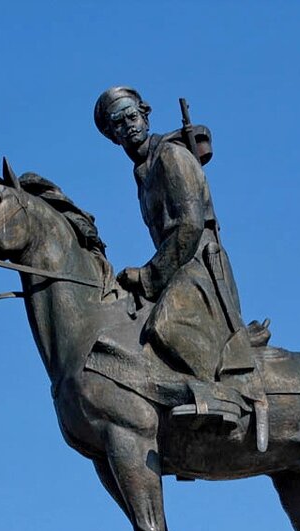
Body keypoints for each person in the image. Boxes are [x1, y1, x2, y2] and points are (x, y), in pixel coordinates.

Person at [94, 86, 265, 429]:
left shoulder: (171, 156)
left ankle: (225, 398)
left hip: (200, 264)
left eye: (133, 116)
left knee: (166, 325)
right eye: (119, 123)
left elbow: (188, 226)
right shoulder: (142, 173)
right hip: (177, 265)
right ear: (113, 135)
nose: (129, 126)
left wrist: (148, 276)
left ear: (145, 115)